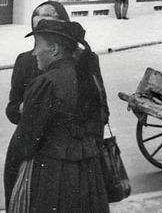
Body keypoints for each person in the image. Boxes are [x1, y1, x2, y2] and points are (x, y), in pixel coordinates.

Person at [7, 19, 109, 212]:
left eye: (38, 46)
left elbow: (26, 140)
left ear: (54, 50)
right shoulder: (88, 77)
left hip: (53, 175)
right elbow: (99, 123)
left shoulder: (46, 82)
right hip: (89, 173)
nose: (35, 53)